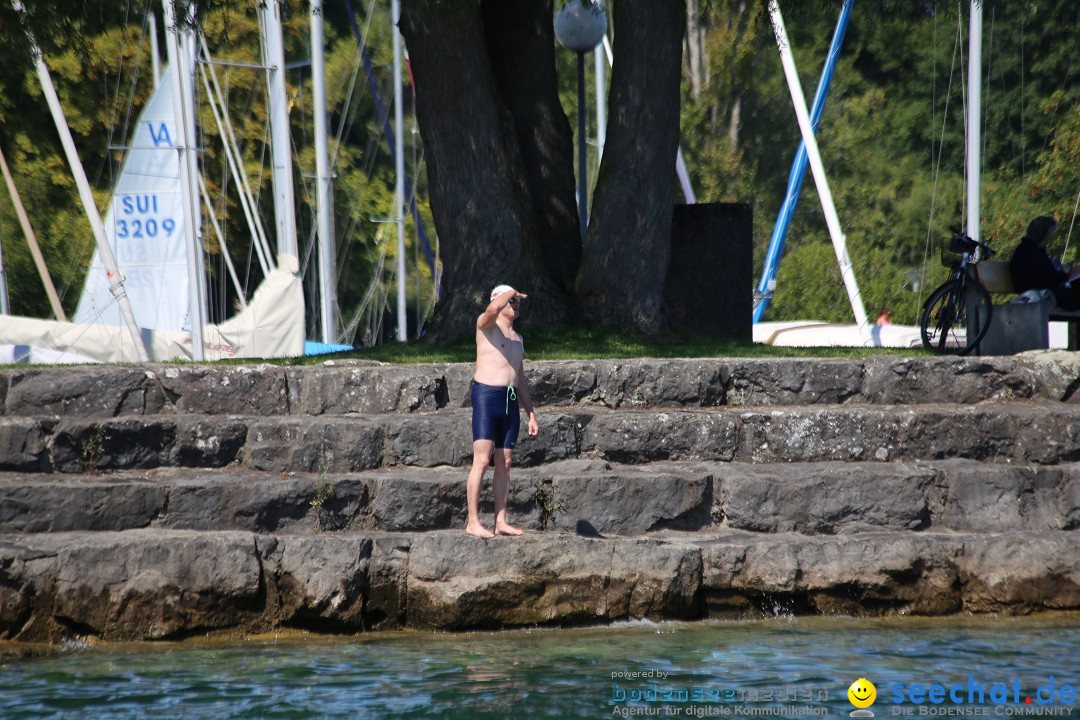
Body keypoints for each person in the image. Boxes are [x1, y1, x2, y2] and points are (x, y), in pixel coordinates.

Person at [465, 284, 540, 538]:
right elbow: (494, 307)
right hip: (487, 396)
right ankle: (473, 521)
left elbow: (521, 380)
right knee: (482, 459)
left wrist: (530, 413)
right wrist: (513, 291)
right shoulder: (485, 326)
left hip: (509, 400)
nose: (516, 304)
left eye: (518, 302)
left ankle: (500, 520)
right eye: (513, 301)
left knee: (505, 462)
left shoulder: (518, 339)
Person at [1010, 215, 1080, 310]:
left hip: (1045, 290)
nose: (1052, 237)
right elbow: (1045, 277)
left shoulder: (1036, 250)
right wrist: (1067, 277)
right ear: (1044, 234)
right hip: (1037, 293)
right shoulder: (1027, 251)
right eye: (1051, 233)